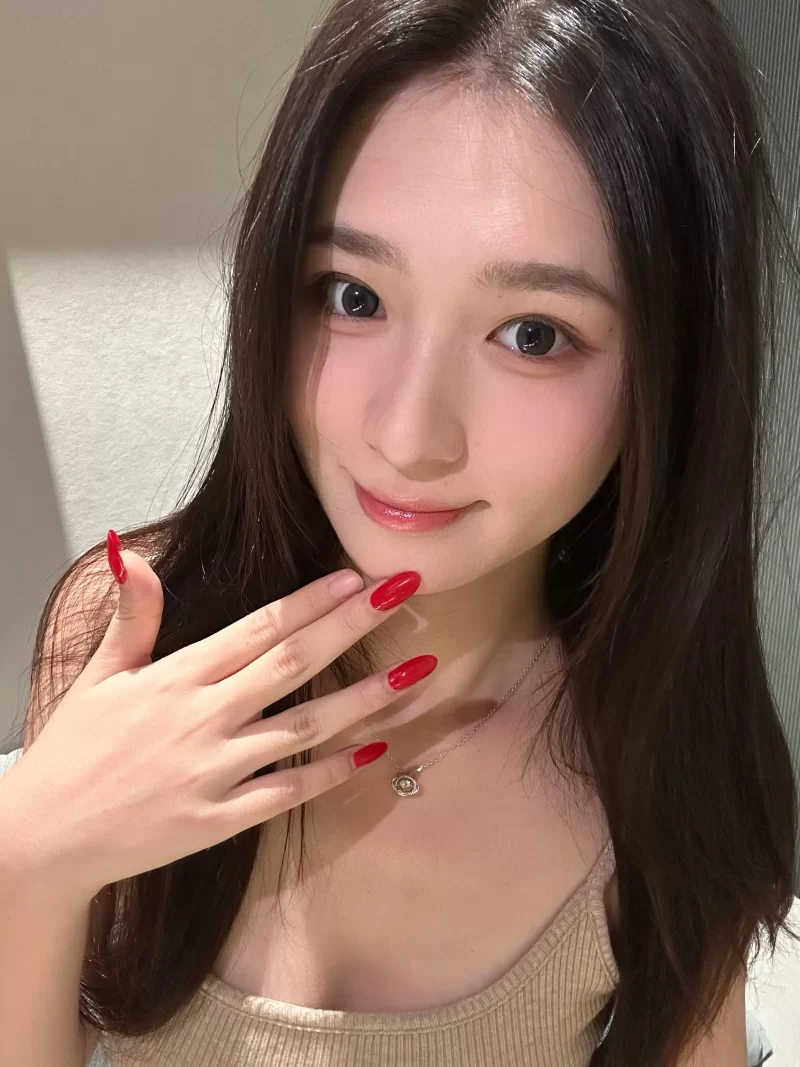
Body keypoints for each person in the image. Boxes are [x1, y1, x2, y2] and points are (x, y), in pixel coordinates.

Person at [0, 0, 796, 1064]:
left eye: (532, 333)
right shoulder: (129, 638)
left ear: (672, 372)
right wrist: (29, 859)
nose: (407, 435)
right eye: (353, 295)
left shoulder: (661, 757)